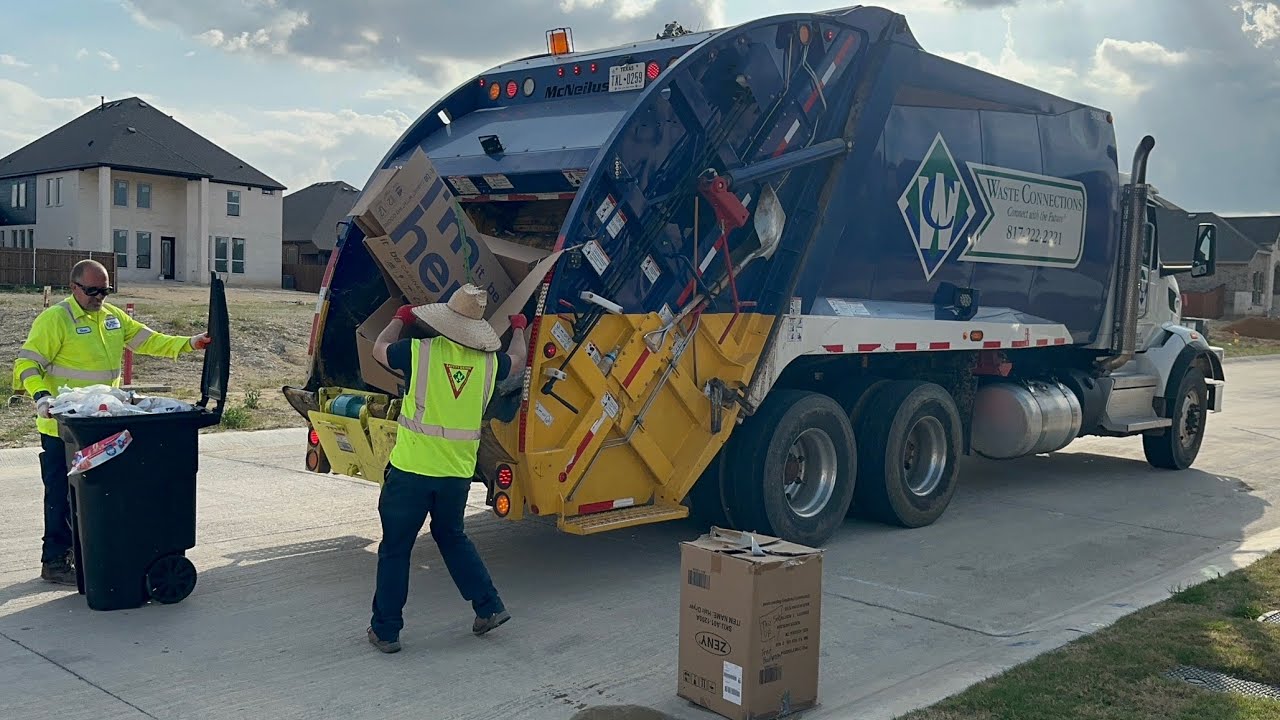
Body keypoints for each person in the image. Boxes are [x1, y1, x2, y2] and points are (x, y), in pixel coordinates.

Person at [12, 259, 212, 586]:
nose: (98, 297)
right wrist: (42, 397)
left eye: (104, 290)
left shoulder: (112, 318)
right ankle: (55, 560)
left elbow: (150, 341)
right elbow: (27, 363)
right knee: (62, 494)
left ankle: (85, 553)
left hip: (101, 426)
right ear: (74, 287)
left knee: (95, 496)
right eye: (92, 291)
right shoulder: (55, 320)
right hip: (62, 429)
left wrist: (191, 343)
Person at [366, 282, 528, 654]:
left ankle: (386, 631)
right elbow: (518, 361)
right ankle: (488, 606)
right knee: (452, 536)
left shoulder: (418, 352)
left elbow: (378, 350)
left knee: (396, 549)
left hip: (411, 472)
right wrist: (519, 327)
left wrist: (398, 319)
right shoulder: (490, 364)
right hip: (455, 475)